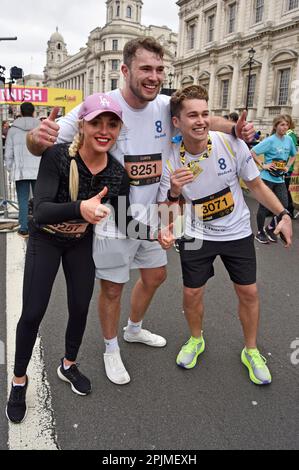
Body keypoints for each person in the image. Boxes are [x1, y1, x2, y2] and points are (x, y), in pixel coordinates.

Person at [26, 37, 255, 386]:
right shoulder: (99, 104)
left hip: (155, 211)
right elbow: (44, 140)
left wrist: (236, 129)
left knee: (155, 276)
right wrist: (35, 138)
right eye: (145, 68)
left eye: (160, 69)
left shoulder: (164, 105)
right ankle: (110, 347)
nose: (154, 76)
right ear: (124, 70)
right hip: (113, 213)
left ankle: (133, 329)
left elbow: (207, 121)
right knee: (113, 288)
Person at [157, 85, 292, 385]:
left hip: (237, 232)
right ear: (177, 122)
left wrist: (282, 214)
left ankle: (251, 350)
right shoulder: (171, 159)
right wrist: (173, 196)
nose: (201, 121)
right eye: (192, 115)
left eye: (205, 113)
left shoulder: (230, 144)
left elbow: (256, 186)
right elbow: (169, 210)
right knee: (192, 293)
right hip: (197, 233)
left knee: (249, 292)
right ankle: (196, 340)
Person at [6, 93, 128, 424]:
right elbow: (41, 211)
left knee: (79, 307)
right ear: (83, 126)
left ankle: (68, 365)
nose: (104, 130)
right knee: (32, 312)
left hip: (79, 245)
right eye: (97, 122)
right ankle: (19, 381)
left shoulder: (116, 173)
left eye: (112, 124)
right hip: (46, 241)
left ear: (118, 129)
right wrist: (81, 208)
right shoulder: (59, 156)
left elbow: (128, 218)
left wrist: (170, 212)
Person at [251, 115, 297, 244]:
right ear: (276, 126)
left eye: (286, 125)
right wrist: (262, 165)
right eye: (282, 125)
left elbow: (293, 155)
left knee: (284, 206)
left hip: (280, 179)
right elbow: (253, 152)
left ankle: (270, 228)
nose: (284, 127)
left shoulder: (288, 140)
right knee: (264, 207)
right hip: (267, 178)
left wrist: (288, 166)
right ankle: (260, 232)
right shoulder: (270, 140)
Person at [4, 103, 41, 237]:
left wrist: (10, 168)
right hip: (38, 169)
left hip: (21, 170)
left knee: (23, 199)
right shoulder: (40, 128)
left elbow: (8, 152)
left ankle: (24, 227)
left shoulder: (14, 129)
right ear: (33, 112)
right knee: (39, 198)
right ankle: (39, 225)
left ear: (21, 111)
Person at [284, 114, 298, 218]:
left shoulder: (290, 135)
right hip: (283, 166)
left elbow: (292, 152)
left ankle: (289, 210)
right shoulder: (286, 134)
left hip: (288, 167)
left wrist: (288, 166)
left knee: (286, 190)